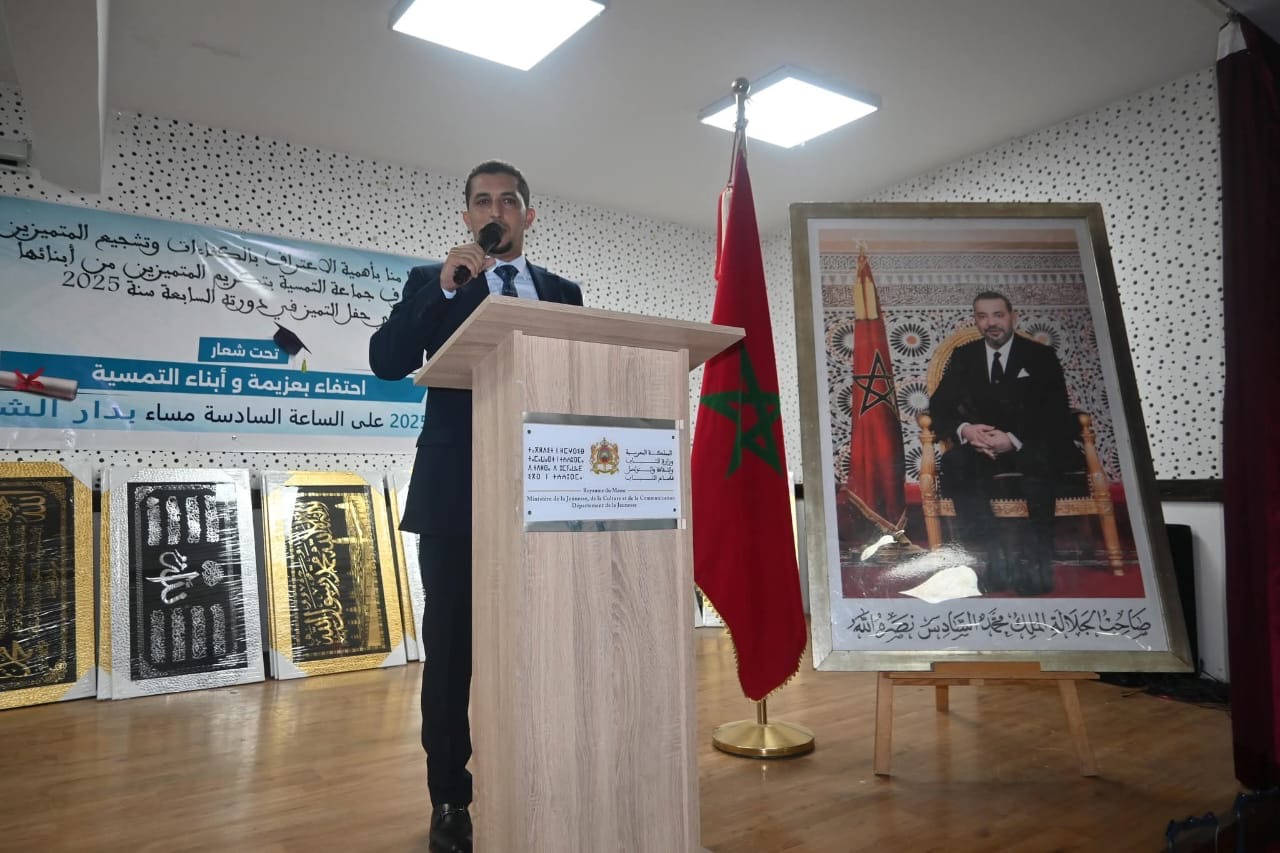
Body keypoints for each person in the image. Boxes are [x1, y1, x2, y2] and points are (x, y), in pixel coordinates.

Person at [368, 160, 583, 853]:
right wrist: (443, 285)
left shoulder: (564, 293)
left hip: (546, 492)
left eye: (509, 201)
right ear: (467, 217)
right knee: (452, 654)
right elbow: (387, 360)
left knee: (543, 645)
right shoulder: (434, 282)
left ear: (528, 215)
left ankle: (541, 777)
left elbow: (577, 379)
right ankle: (450, 799)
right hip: (454, 493)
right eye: (483, 201)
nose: (496, 211)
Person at [927, 291, 1079, 596]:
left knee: (1040, 462)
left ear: (1013, 317)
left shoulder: (1040, 356)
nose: (991, 323)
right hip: (982, 447)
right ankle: (995, 556)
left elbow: (1056, 412)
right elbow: (939, 406)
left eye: (998, 315)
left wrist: (1013, 440)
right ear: (976, 320)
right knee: (954, 462)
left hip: (1030, 444)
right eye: (982, 316)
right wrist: (967, 431)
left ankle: (1037, 564)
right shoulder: (964, 356)